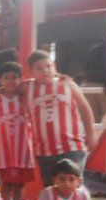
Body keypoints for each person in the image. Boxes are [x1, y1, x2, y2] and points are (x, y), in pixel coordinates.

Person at [23, 50, 96, 185]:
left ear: (54, 66)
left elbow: (85, 109)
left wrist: (91, 135)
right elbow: (8, 88)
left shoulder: (68, 84)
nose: (45, 71)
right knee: (51, 189)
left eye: (48, 66)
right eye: (39, 68)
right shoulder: (27, 87)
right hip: (44, 150)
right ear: (31, 72)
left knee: (73, 186)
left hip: (72, 146)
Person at [0, 62, 35, 200]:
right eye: (6, 78)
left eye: (15, 78)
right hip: (4, 151)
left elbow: (34, 84)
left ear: (21, 79)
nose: (11, 81)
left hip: (23, 150)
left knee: (20, 185)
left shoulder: (26, 97)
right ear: (0, 80)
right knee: (5, 185)